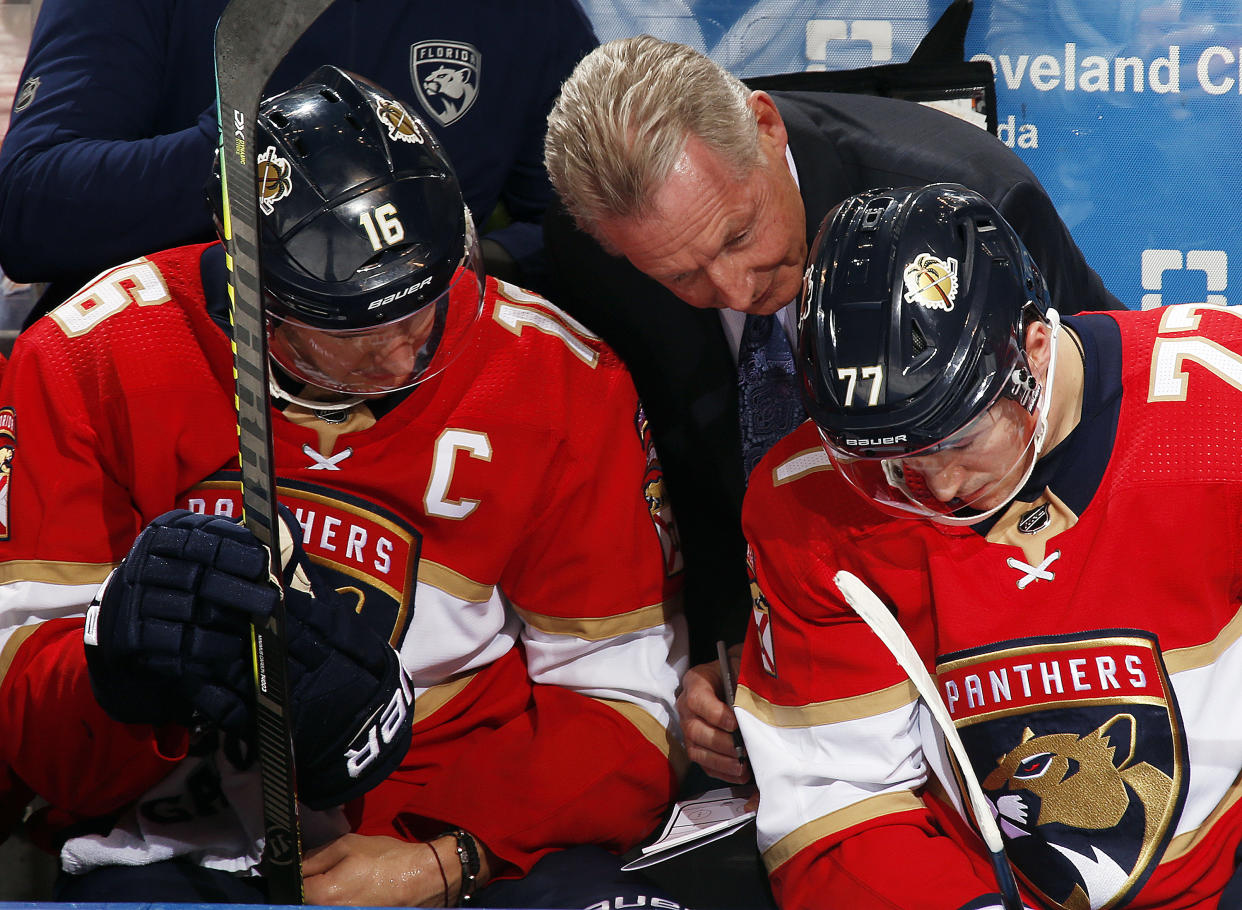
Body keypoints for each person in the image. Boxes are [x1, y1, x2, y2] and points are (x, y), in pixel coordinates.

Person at [0, 66, 686, 906]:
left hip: (454, 827)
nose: (403, 354)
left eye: (424, 305)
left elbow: (625, 713)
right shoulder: (83, 358)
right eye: (353, 331)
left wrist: (447, 857)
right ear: (254, 290)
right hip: (174, 844)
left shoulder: (560, 375)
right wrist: (119, 676)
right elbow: (28, 738)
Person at [542, 35, 1127, 787]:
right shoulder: (598, 255)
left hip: (1000, 634)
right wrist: (726, 660)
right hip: (803, 665)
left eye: (739, 234)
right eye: (682, 274)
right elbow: (682, 479)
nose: (731, 287)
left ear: (765, 127)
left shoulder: (969, 201)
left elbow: (1099, 439)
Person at [735, 181, 1242, 909]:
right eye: (889, 461)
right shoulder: (807, 505)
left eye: (957, 441)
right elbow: (837, 812)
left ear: (1033, 351)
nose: (933, 489)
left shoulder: (1224, 409)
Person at [0, 0, 598, 327]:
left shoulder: (528, 16)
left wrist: (449, 260)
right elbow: (28, 209)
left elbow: (586, 227)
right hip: (178, 366)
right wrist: (246, 155)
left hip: (412, 395)